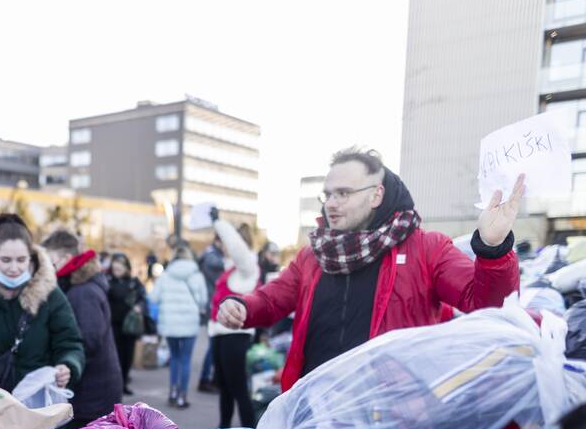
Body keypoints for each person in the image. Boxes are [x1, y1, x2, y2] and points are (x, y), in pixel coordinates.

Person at [217, 147, 523, 391]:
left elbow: (490, 305)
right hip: (312, 408)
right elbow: (273, 299)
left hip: (390, 418)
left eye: (344, 193)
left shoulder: (426, 248)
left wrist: (494, 248)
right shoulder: (314, 254)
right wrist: (242, 307)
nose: (331, 204)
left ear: (376, 194)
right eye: (329, 194)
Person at [0, 214, 84, 393]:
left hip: (39, 401)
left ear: (31, 258)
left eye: (21, 260)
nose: (14, 268)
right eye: (5, 260)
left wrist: (67, 366)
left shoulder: (50, 294)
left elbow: (70, 343)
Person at [43, 230, 123, 429]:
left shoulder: (82, 292)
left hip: (91, 395)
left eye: (50, 261)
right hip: (93, 391)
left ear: (66, 259)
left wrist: (59, 356)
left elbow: (88, 340)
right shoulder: (79, 286)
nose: (46, 268)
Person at [206, 213, 260, 428]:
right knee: (225, 391)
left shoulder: (248, 268)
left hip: (235, 337)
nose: (224, 246)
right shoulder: (232, 270)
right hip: (221, 336)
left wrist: (219, 223)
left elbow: (238, 251)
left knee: (239, 391)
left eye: (227, 242)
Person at [149, 245, 208, 409]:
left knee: (174, 358)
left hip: (170, 324)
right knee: (186, 359)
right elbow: (203, 300)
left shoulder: (165, 276)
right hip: (189, 323)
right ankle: (182, 396)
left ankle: (172, 392)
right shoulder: (197, 276)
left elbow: (153, 298)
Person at [106, 253, 146, 395]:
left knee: (127, 357)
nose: (116, 268)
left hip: (129, 327)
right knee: (115, 356)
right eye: (114, 265)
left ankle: (123, 383)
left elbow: (143, 298)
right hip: (113, 326)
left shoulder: (134, 282)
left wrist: (139, 306)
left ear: (126, 267)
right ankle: (115, 385)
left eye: (120, 265)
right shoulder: (107, 282)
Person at [196, 234, 225, 393]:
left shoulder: (209, 256)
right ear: (217, 241)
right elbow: (221, 273)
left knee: (214, 343)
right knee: (213, 344)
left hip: (212, 304)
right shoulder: (213, 259)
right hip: (214, 305)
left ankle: (209, 378)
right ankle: (205, 379)